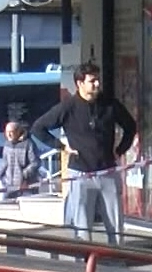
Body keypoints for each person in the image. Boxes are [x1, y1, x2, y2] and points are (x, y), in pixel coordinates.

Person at [31, 62, 136, 245]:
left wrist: (120, 150)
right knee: (82, 224)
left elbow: (130, 126)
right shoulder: (68, 107)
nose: (97, 84)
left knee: (115, 224)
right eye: (92, 81)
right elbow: (38, 128)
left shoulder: (109, 104)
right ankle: (84, 262)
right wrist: (60, 146)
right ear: (80, 83)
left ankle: (118, 260)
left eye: (98, 80)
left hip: (107, 171)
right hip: (80, 173)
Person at [0, 120, 41, 202]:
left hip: (26, 185)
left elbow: (35, 162)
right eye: (6, 132)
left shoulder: (29, 144)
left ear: (18, 132)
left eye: (11, 132)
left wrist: (24, 175)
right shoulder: (7, 144)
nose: (8, 135)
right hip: (10, 185)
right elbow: (5, 162)